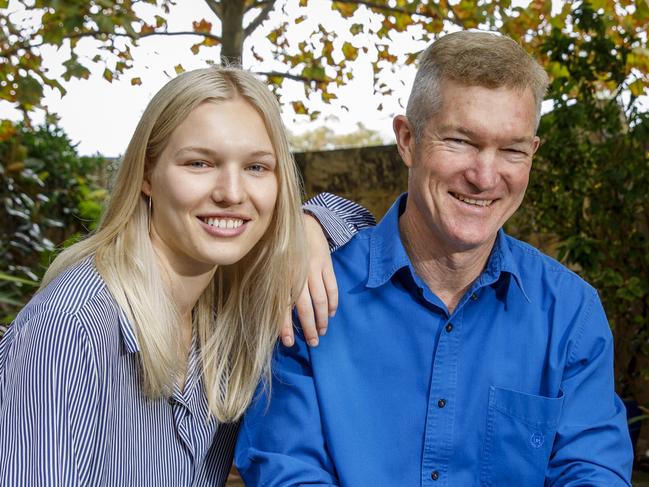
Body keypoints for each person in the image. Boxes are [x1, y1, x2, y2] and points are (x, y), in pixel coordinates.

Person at [235, 31, 634, 486]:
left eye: (511, 150)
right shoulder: (309, 289)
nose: (484, 176)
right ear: (407, 140)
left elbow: (591, 471)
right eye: (461, 141)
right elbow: (287, 471)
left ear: (532, 154)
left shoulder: (569, 313)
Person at [0, 67, 373, 485]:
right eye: (199, 163)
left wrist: (308, 225)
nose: (231, 193)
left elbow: (358, 219)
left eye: (256, 167)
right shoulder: (74, 327)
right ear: (146, 174)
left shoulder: (223, 313)